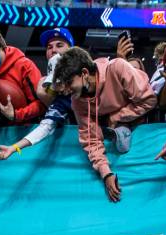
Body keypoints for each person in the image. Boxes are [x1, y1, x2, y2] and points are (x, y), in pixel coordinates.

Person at [53, 47, 157, 202]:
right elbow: (91, 140)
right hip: (110, 124)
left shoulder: (118, 68)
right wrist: (106, 173)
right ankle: (119, 130)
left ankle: (122, 128)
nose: (67, 91)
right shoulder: (77, 101)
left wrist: (118, 117)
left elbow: (149, 100)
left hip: (141, 116)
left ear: (84, 73)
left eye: (69, 82)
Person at [0, 27, 74, 161]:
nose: (53, 50)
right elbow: (45, 127)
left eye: (59, 45)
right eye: (49, 47)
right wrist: (14, 148)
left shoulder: (95, 73)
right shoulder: (50, 91)